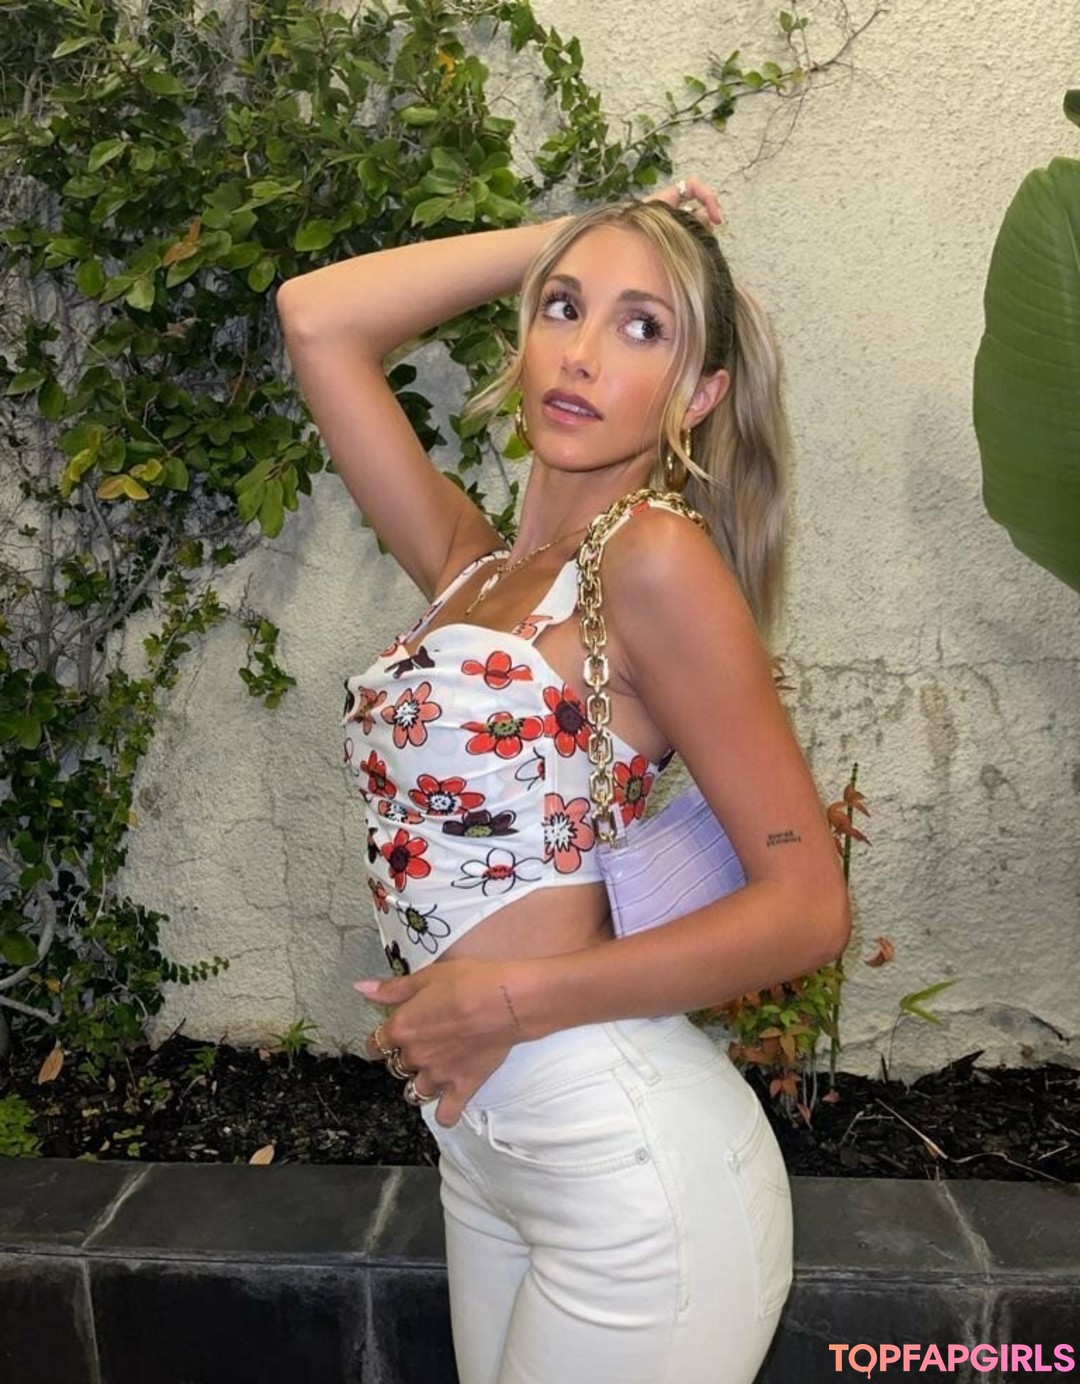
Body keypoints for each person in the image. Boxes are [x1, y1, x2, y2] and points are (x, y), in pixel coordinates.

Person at [277, 176, 850, 1384]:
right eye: (563, 308)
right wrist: (570, 233)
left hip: (627, 1174)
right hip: (487, 1153)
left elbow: (807, 906)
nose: (584, 353)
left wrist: (509, 1001)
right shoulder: (473, 567)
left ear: (698, 395)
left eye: (642, 328)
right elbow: (317, 317)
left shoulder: (653, 557)